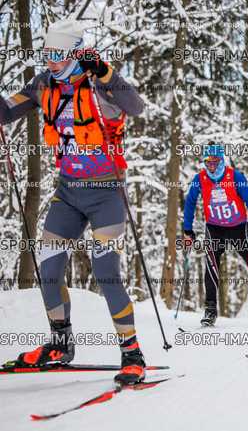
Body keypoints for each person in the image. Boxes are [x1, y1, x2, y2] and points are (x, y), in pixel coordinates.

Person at [1, 20, 146, 384]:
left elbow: (136, 106)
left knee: (106, 271)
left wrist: (106, 72)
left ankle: (132, 353)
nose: (50, 61)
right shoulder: (43, 85)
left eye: (58, 54)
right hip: (68, 193)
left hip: (106, 193)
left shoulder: (99, 83)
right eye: (46, 53)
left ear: (75, 53)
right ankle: (60, 344)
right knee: (49, 267)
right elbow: (7, 110)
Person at [183, 144, 248, 326]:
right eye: (208, 162)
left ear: (221, 161)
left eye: (215, 162)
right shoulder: (200, 179)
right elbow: (190, 203)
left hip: (238, 229)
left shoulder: (235, 176)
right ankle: (210, 311)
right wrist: (187, 230)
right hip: (214, 229)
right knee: (211, 266)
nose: (211, 166)